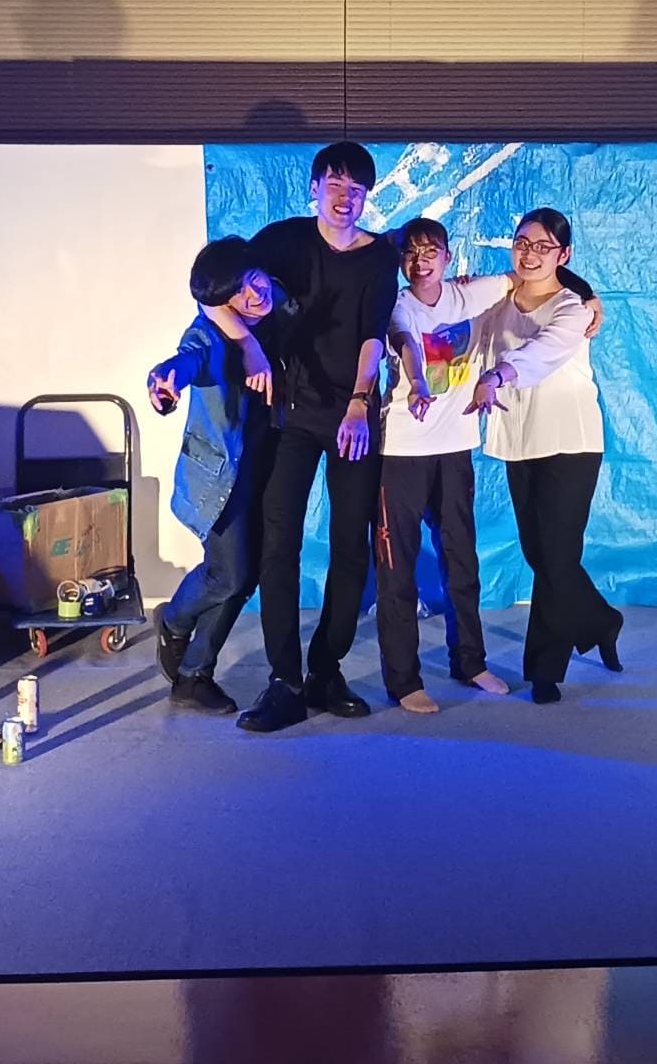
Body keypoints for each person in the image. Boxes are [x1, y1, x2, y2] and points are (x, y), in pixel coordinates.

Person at [209, 141, 400, 733]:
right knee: (278, 545)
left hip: (351, 418)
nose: (345, 198)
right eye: (334, 185)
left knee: (351, 547)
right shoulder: (282, 240)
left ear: (367, 196)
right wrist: (247, 343)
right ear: (315, 187)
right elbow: (210, 289)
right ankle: (285, 680)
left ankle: (326, 668)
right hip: (289, 418)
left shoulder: (379, 257)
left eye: (356, 189)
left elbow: (372, 335)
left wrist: (359, 402)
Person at [379, 216, 601, 713]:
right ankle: (404, 680)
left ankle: (470, 661)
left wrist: (590, 296)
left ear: (448, 256)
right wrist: (418, 383)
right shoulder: (398, 305)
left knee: (463, 561)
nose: (421, 262)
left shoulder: (476, 294)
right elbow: (406, 343)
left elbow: (537, 275)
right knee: (398, 569)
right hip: (403, 450)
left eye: (430, 252)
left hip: (456, 445)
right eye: (411, 253)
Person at [476, 208, 623, 704]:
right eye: (523, 243)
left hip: (570, 440)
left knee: (557, 556)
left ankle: (545, 669)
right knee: (538, 553)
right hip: (520, 439)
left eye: (543, 246)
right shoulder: (498, 300)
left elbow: (541, 352)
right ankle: (601, 621)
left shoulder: (574, 308)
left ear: (564, 254)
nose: (530, 254)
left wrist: (497, 375)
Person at [147, 240, 286, 714]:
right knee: (229, 573)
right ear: (221, 303)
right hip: (223, 477)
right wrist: (166, 380)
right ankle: (174, 619)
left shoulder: (278, 304)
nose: (254, 295)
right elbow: (186, 359)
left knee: (242, 579)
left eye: (254, 280)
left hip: (270, 463)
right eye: (238, 293)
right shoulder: (208, 335)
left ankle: (192, 676)